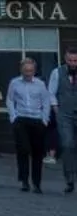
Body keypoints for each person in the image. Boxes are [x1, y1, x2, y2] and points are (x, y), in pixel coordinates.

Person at [6, 55, 52, 193]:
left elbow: (46, 102)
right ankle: (24, 181)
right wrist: (13, 117)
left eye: (30, 71)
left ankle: (37, 183)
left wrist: (44, 119)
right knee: (23, 150)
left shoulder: (40, 84)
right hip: (21, 119)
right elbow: (10, 100)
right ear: (21, 70)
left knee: (37, 153)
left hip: (37, 120)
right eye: (26, 71)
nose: (28, 74)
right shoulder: (14, 83)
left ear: (34, 71)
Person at [48, 46, 77, 195]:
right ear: (65, 59)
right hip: (64, 114)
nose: (73, 64)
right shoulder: (57, 73)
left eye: (75, 61)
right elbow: (51, 92)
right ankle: (70, 179)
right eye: (70, 60)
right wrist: (55, 108)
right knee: (67, 145)